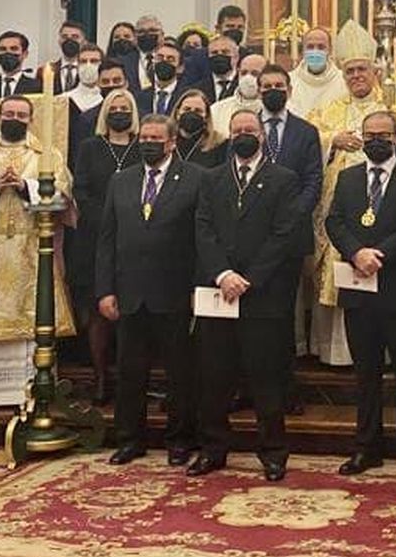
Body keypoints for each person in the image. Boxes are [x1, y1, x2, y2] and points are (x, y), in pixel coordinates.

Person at [191, 110, 300, 480]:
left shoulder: (283, 179)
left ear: (262, 135)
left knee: (266, 379)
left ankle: (273, 453)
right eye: (237, 130)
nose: (243, 135)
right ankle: (213, 449)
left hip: (261, 294)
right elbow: (203, 230)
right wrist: (223, 274)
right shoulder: (211, 179)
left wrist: (248, 279)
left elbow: (284, 236)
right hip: (219, 292)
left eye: (250, 130)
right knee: (214, 377)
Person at [327, 110, 396, 477]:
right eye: (369, 134)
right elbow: (334, 221)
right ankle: (366, 447)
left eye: (383, 135)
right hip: (359, 291)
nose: (375, 141)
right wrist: (357, 252)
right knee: (365, 374)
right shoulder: (348, 177)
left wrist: (380, 253)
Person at [97, 114, 204, 465]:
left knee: (180, 373)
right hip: (129, 293)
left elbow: (203, 240)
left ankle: (180, 440)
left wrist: (196, 288)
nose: (148, 143)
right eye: (143, 137)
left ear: (171, 142)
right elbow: (107, 240)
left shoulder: (195, 179)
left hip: (175, 292)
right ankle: (130, 439)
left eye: (155, 138)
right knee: (130, 373)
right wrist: (105, 290)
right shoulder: (120, 180)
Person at [308, 22, 396, 366]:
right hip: (344, 208)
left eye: (362, 69)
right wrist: (332, 141)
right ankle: (339, 354)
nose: (356, 75)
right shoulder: (330, 109)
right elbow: (312, 139)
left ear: (375, 70)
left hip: (389, 214)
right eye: (350, 70)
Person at [0, 95, 74, 406]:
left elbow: (62, 199)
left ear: (31, 120)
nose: (15, 118)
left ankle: (26, 390)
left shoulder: (48, 155)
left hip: (30, 247)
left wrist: (26, 187)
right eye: (9, 113)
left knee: (31, 315)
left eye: (22, 115)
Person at [256, 64, 324, 410]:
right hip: (250, 240)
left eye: (278, 85)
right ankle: (251, 388)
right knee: (251, 318)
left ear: (289, 89)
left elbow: (314, 181)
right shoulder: (245, 127)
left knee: (284, 317)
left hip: (290, 237)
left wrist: (289, 217)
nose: (272, 90)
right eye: (266, 85)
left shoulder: (306, 131)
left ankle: (285, 390)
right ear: (257, 89)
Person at [71, 88, 139, 404]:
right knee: (98, 311)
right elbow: (81, 190)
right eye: (115, 108)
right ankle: (100, 378)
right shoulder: (90, 147)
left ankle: (129, 379)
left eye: (126, 108)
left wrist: (129, 223)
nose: (120, 113)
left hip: (136, 241)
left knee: (132, 314)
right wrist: (108, 221)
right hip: (95, 239)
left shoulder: (143, 147)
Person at [290, 27, 346, 117]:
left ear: (330, 50)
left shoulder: (344, 81)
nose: (315, 51)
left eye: (321, 47)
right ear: (303, 50)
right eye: (310, 47)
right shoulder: (290, 80)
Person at [210, 51, 265, 131]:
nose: (248, 78)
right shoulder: (217, 110)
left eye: (255, 73)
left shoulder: (283, 108)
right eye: (243, 73)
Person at [173, 88, 227, 168]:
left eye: (198, 111)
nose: (192, 113)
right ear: (178, 113)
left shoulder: (219, 144)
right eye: (187, 109)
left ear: (206, 116)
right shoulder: (166, 139)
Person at [135, 40, 184, 116]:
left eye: (170, 59)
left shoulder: (185, 96)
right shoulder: (139, 97)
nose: (164, 61)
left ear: (180, 68)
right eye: (160, 58)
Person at [42, 20, 91, 96]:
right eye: (65, 37)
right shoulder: (45, 71)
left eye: (75, 37)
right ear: (59, 41)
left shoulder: (91, 70)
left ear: (84, 42)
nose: (69, 40)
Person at [202, 33, 240, 104]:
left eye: (225, 52)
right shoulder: (198, 88)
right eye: (214, 53)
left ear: (236, 57)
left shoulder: (242, 84)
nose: (219, 55)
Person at [133, 14, 166, 91]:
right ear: (135, 37)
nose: (147, 35)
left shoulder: (170, 59)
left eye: (153, 30)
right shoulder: (123, 62)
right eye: (141, 31)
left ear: (162, 35)